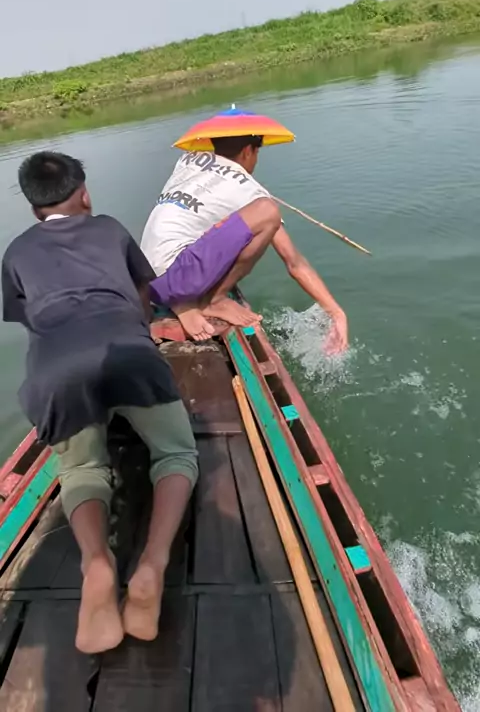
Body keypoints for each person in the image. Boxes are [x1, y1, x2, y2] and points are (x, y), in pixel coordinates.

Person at [1, 151, 198, 655]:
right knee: (176, 454)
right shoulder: (109, 228)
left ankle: (96, 564)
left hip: (55, 375)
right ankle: (153, 562)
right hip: (128, 354)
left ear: (34, 209)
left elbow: (31, 319)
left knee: (82, 469)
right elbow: (143, 297)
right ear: (84, 194)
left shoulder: (16, 253)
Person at [141, 134, 348, 352]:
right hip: (177, 277)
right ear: (248, 151)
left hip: (146, 278)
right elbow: (294, 262)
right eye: (257, 153)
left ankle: (182, 301)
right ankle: (214, 300)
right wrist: (336, 313)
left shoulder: (189, 160)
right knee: (268, 211)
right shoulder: (248, 188)